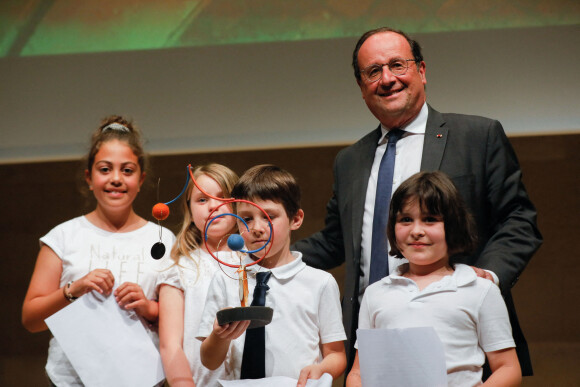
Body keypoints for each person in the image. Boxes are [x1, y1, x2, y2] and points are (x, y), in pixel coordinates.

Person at [294, 27, 542, 375]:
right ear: (361, 87)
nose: (387, 79)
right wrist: (274, 257)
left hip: (460, 333)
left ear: (421, 71)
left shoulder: (477, 136)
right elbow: (337, 240)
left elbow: (518, 219)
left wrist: (484, 278)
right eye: (373, 71)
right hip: (374, 339)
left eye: (398, 65)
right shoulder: (349, 160)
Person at [21, 115, 175, 386]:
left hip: (144, 379)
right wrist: (74, 289)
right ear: (89, 177)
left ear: (141, 179)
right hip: (71, 380)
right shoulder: (64, 237)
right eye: (105, 169)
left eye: (127, 170)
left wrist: (148, 307)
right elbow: (31, 319)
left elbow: (181, 316)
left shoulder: (162, 239)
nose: (116, 179)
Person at [346, 171, 522, 387]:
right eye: (406, 220)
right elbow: (358, 373)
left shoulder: (479, 289)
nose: (416, 231)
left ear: (454, 225)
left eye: (430, 219)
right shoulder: (376, 293)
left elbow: (508, 368)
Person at [198, 164, 347, 386]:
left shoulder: (320, 283)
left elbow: (336, 354)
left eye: (269, 217)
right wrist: (219, 336)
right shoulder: (224, 279)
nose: (257, 227)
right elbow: (209, 361)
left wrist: (320, 369)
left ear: (295, 219)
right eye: (246, 219)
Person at [158, 163, 241, 387]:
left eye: (222, 197)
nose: (213, 206)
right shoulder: (179, 268)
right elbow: (170, 344)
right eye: (202, 200)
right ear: (190, 210)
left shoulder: (257, 262)